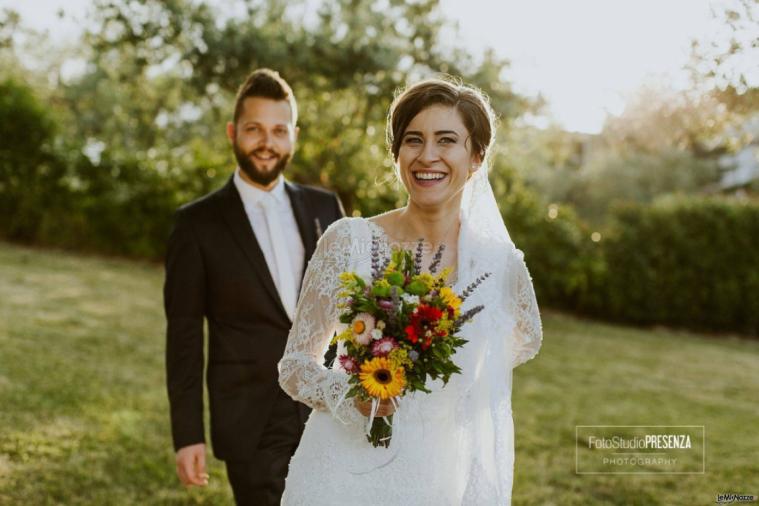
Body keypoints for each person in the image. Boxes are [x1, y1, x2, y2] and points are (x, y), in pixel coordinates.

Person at [277, 77, 543, 504]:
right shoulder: (348, 241)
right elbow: (294, 365)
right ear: (397, 153)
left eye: (447, 140)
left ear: (476, 157)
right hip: (337, 476)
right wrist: (351, 397)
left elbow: (524, 341)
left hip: (436, 479)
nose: (427, 156)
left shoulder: (501, 266)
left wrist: (447, 397)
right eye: (413, 140)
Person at [164, 68, 345, 505]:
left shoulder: (326, 207)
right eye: (254, 129)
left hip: (327, 410)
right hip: (251, 418)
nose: (267, 141)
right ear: (233, 133)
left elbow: (350, 306)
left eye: (278, 130)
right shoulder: (197, 224)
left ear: (293, 136)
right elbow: (184, 336)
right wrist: (188, 435)